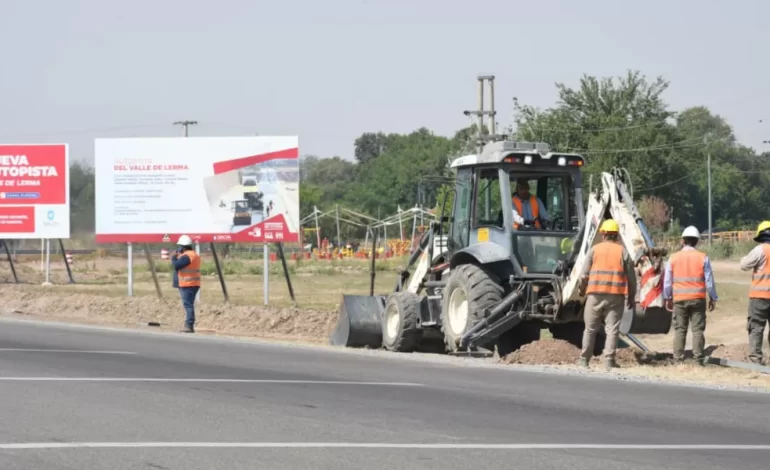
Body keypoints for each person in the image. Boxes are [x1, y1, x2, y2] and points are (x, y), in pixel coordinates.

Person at [577, 219, 636, 369]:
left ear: (603, 234)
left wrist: (582, 290)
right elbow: (631, 278)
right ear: (616, 235)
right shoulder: (623, 251)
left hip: (594, 296)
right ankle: (609, 361)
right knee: (612, 329)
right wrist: (632, 296)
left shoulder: (594, 250)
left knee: (590, 329)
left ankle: (584, 361)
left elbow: (583, 275)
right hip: (615, 296)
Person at [663, 226, 717, 365]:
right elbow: (709, 280)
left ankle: (678, 358)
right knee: (698, 330)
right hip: (698, 299)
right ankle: (698, 358)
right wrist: (713, 297)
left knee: (680, 329)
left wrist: (667, 297)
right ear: (697, 241)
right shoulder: (703, 257)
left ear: (683, 240)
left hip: (679, 300)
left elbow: (667, 281)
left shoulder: (673, 258)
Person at [739, 221, 770, 365]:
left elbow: (744, 265)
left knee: (756, 327)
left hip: (760, 297)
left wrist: (743, 259)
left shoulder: (759, 250)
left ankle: (756, 360)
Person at [171, 234, 201, 333]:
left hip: (187, 283)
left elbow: (177, 265)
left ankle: (189, 325)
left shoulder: (187, 256)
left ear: (183, 246)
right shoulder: (194, 254)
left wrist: (174, 257)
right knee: (189, 304)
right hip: (194, 283)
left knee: (188, 305)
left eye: (180, 246)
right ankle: (189, 324)